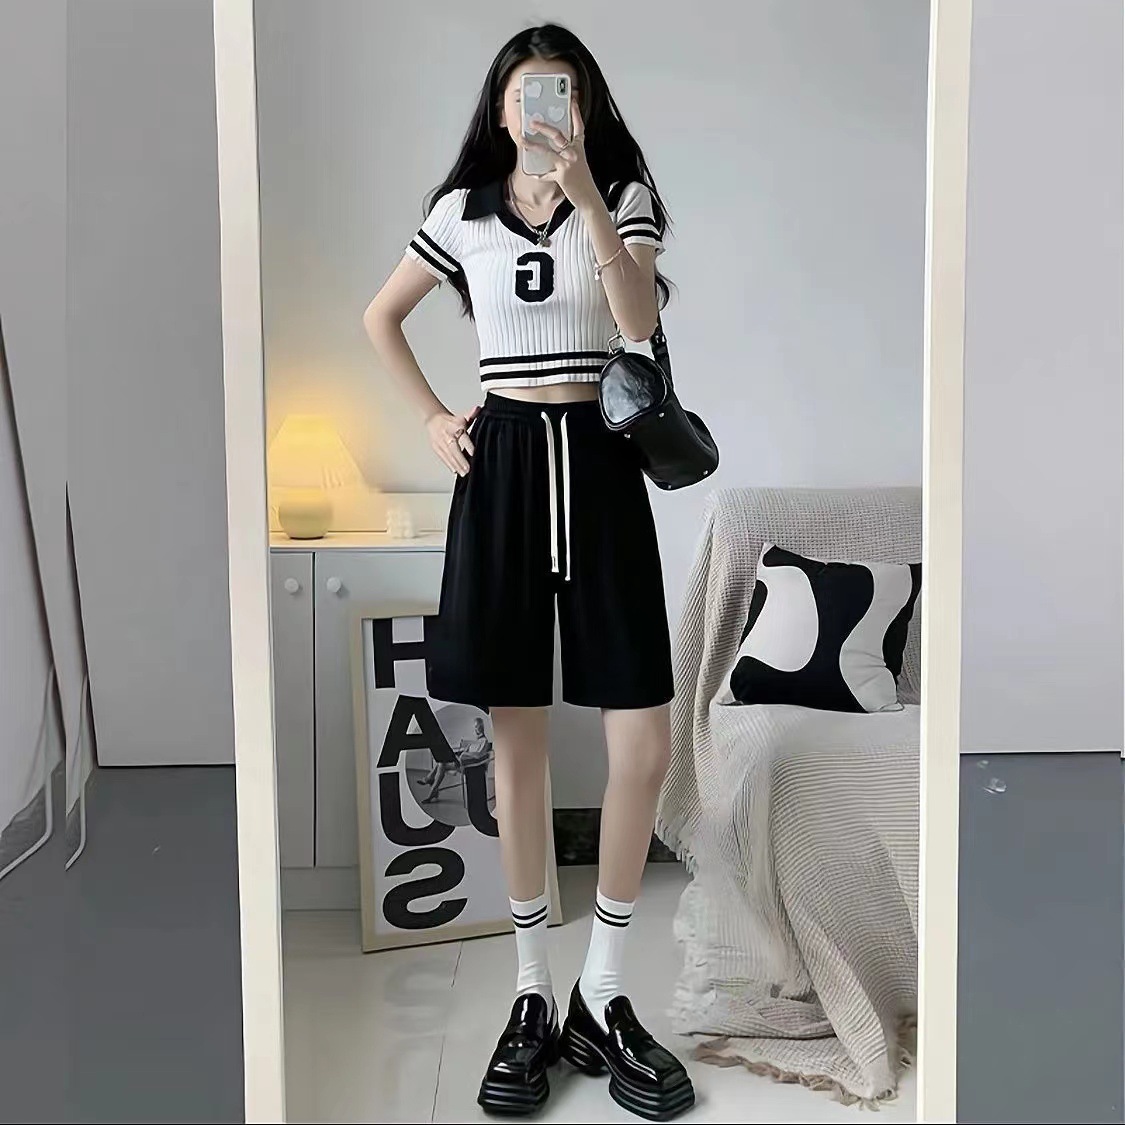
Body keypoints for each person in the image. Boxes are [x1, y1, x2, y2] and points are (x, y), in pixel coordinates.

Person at [363, 24, 692, 1121]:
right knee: (516, 739)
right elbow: (381, 316)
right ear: (499, 107)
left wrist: (588, 193)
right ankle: (532, 990)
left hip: (599, 461)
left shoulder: (624, 195)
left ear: (583, 104)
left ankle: (604, 987)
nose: (541, 108)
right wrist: (431, 418)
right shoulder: (461, 212)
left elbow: (636, 322)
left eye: (561, 91)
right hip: (503, 461)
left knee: (641, 738)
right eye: (524, 92)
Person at [419, 717, 492, 803]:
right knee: (441, 762)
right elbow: (467, 751)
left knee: (441, 764)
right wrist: (460, 753)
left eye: (478, 726)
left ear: (482, 727)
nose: (476, 729)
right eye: (475, 727)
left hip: (469, 766)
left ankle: (431, 785)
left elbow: (478, 756)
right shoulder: (476, 741)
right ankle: (432, 786)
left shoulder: (484, 741)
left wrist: (464, 754)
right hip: (463, 762)